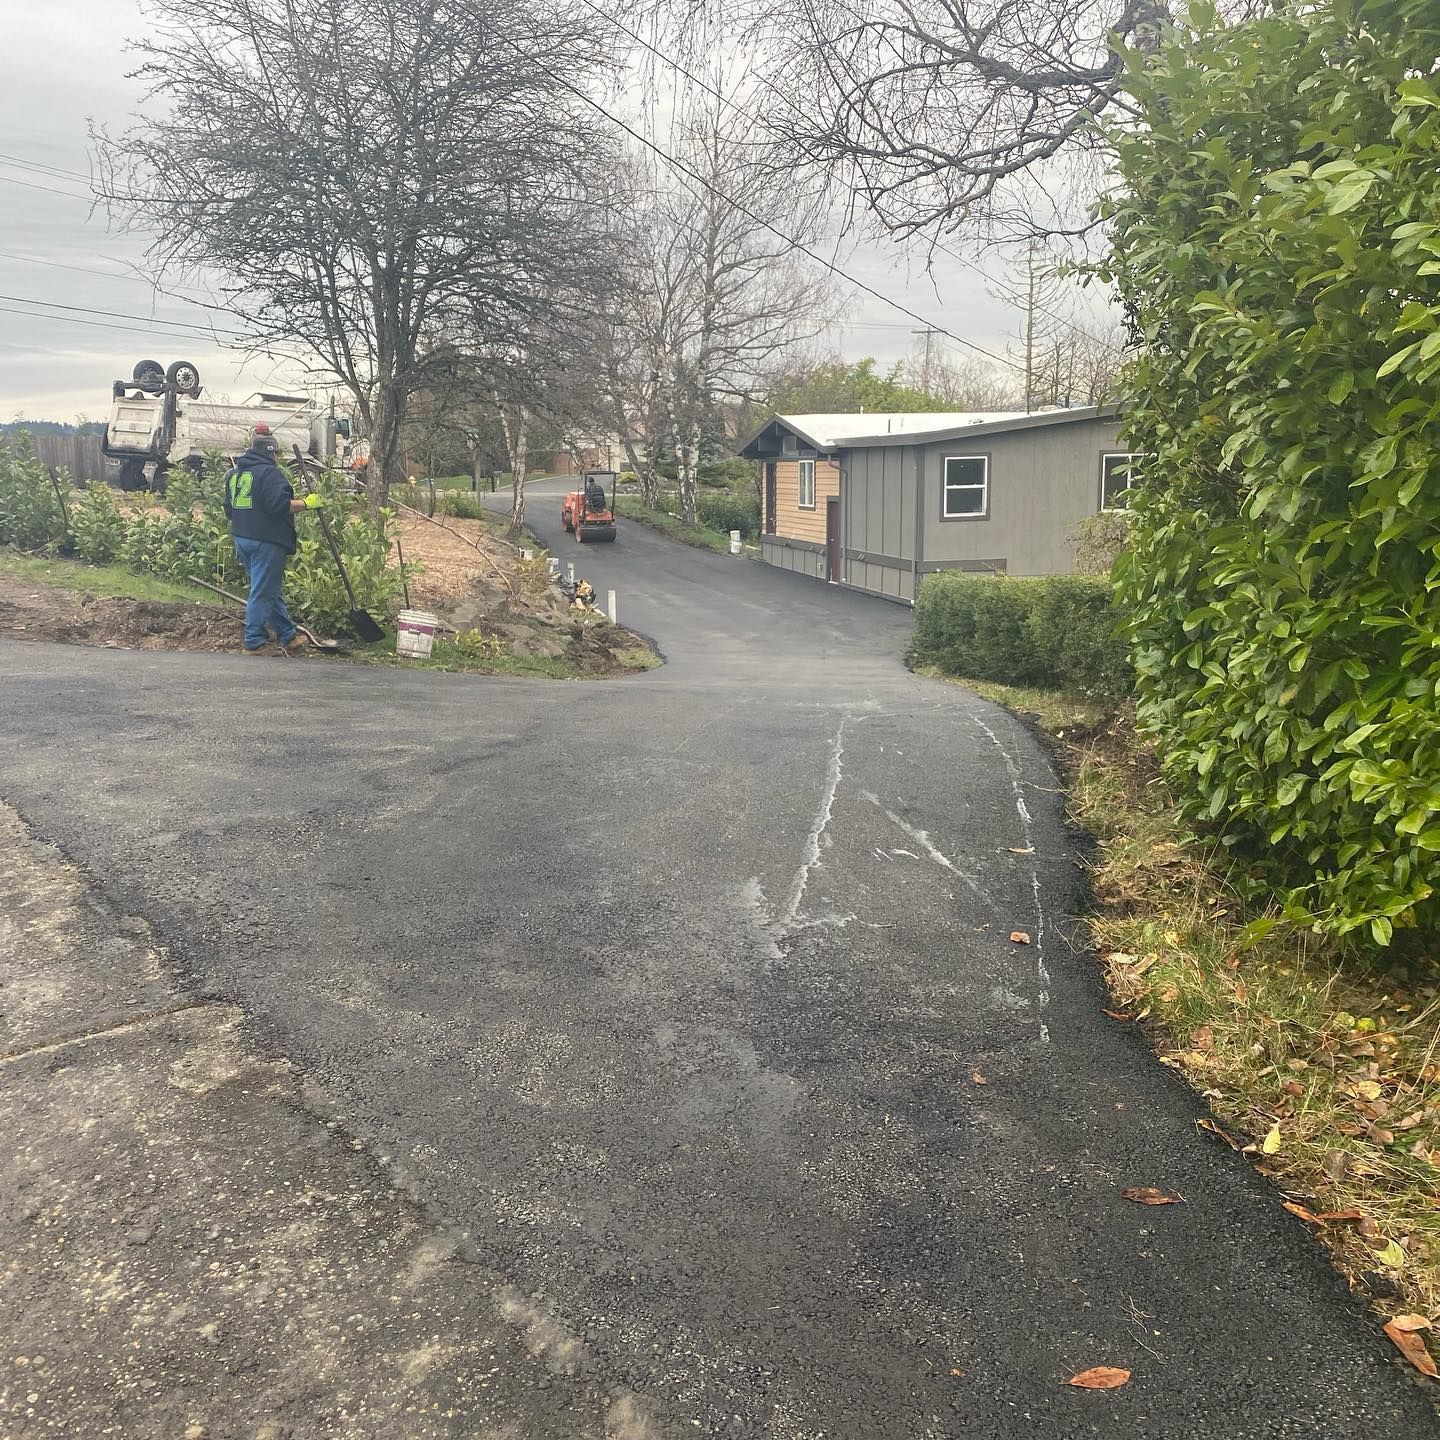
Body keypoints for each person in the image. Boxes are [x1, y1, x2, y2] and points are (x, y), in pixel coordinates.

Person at [224, 426, 322, 654]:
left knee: (267, 588)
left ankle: (287, 636)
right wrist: (307, 503)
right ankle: (254, 641)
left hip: (242, 539)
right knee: (262, 591)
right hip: (265, 541)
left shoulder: (234, 474)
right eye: (276, 454)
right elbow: (278, 506)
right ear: (272, 453)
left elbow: (228, 509)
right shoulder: (270, 474)